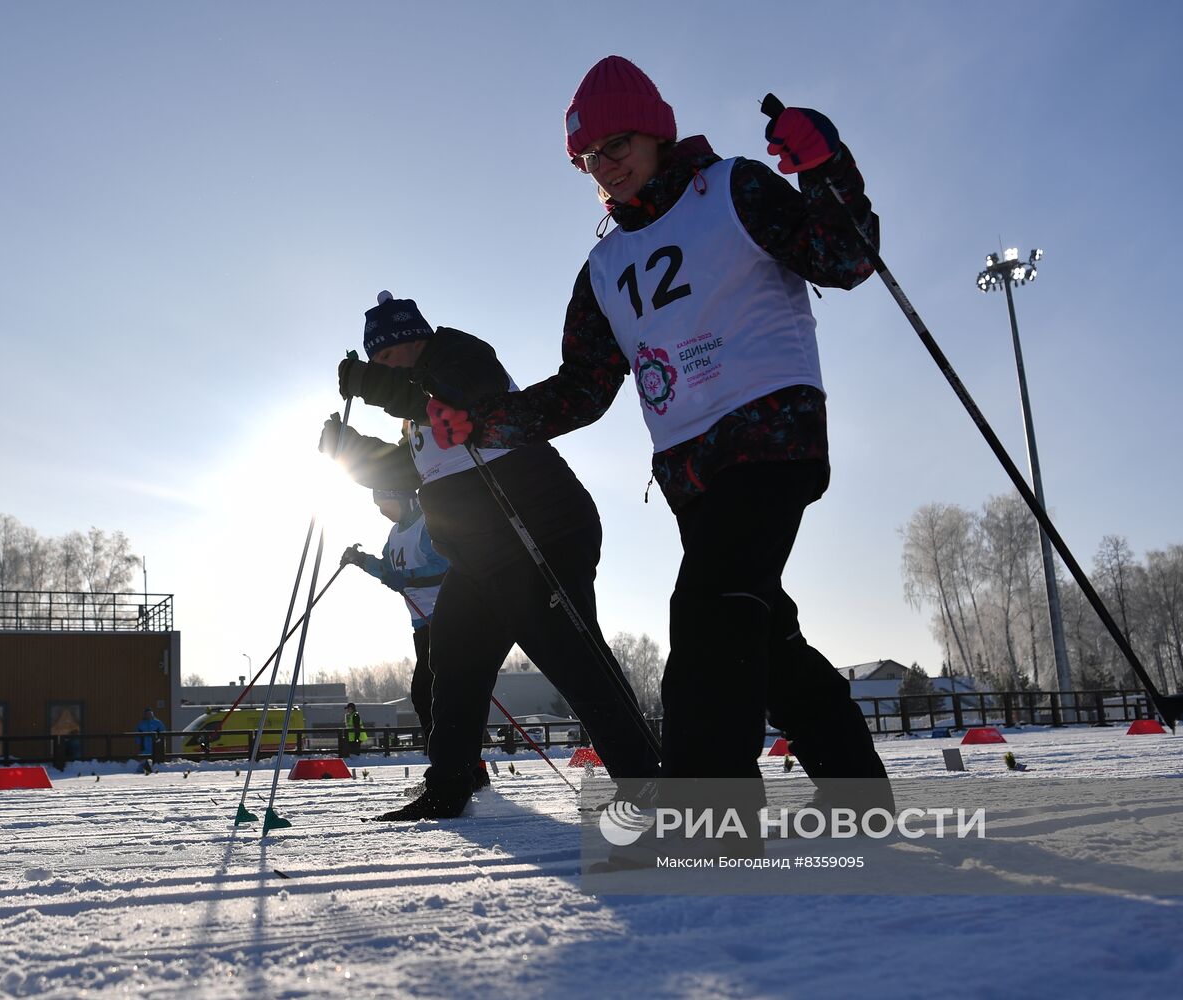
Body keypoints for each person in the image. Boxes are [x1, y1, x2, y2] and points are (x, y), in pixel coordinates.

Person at [424, 56, 890, 823]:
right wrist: (485, 422)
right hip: (691, 469)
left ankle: (710, 818)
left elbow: (843, 257)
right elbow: (582, 388)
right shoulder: (605, 265)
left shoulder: (733, 187)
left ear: (657, 131)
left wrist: (826, 166)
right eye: (588, 158)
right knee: (759, 631)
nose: (606, 166)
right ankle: (856, 790)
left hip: (770, 435)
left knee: (707, 611)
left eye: (618, 144)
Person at [322, 293, 660, 821]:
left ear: (414, 341)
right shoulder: (413, 418)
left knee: (576, 663)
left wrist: (370, 384)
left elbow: (456, 398)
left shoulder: (460, 355)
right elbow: (406, 472)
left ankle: (647, 783)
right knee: (451, 667)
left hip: (538, 534)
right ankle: (449, 785)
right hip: (478, 557)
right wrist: (347, 447)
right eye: (378, 364)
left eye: (389, 358)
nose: (386, 369)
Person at [340, 487, 490, 789]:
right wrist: (361, 560)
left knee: (428, 693)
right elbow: (387, 570)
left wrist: (407, 579)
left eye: (387, 504)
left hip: (449, 617)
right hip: (421, 624)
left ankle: (455, 768)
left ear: (405, 498)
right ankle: (466, 767)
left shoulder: (427, 525)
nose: (384, 511)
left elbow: (445, 567)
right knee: (430, 696)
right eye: (380, 507)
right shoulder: (395, 535)